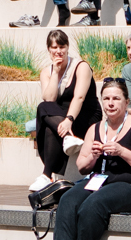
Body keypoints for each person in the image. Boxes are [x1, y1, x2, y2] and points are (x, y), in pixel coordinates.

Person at [39, 75, 131, 240]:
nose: (110, 103)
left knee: (94, 204)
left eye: (116, 99)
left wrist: (122, 151)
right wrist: (93, 156)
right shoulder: (95, 129)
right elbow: (82, 166)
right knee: (68, 199)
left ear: (126, 102)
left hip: (130, 184)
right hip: (98, 179)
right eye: (106, 99)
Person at [33, 27, 100, 180]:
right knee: (43, 108)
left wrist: (69, 120)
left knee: (53, 126)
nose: (59, 51)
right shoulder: (46, 72)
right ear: (49, 50)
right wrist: (55, 72)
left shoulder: (81, 66)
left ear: (68, 47)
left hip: (84, 114)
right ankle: (47, 174)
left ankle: (46, 175)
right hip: (62, 118)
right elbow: (49, 99)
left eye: (62, 47)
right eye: (54, 47)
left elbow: (80, 97)